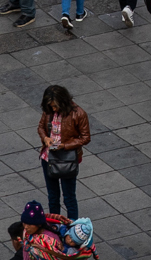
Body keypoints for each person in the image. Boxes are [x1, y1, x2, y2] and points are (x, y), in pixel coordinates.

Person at [37, 85, 90, 221]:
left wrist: (64, 145)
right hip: (48, 158)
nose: (53, 109)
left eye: (55, 106)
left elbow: (85, 137)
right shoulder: (48, 111)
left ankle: (72, 226)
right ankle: (55, 224)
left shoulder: (78, 113)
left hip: (68, 159)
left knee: (69, 197)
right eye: (51, 106)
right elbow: (41, 127)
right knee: (53, 196)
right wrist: (45, 138)